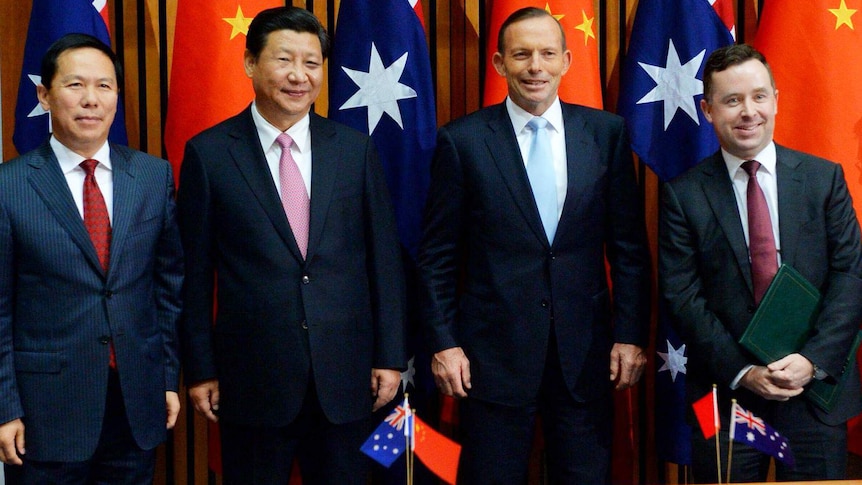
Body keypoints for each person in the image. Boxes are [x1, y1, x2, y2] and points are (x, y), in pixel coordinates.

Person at [417, 7, 651, 483]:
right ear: (500, 64)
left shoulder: (605, 133)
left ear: (566, 60)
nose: (535, 67)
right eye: (521, 55)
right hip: (490, 361)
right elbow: (437, 258)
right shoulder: (462, 142)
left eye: (547, 54)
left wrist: (628, 335)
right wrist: (445, 343)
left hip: (586, 357)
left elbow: (627, 248)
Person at [176, 6, 406, 484]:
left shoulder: (354, 150)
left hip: (347, 379)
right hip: (252, 382)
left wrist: (388, 355)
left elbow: (384, 263)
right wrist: (200, 369)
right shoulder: (209, 153)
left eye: (312, 62)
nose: (299, 76)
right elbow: (194, 275)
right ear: (249, 64)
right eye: (284, 60)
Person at [660, 43, 862, 482]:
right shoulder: (683, 194)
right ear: (708, 110)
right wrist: (743, 371)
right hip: (724, 392)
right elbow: (683, 295)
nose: (748, 111)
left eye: (758, 96)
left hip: (815, 393)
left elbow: (851, 276)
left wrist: (812, 360)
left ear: (775, 99)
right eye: (732, 100)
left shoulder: (824, 179)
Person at [0, 33, 183, 484]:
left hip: (136, 402)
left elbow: (168, 289)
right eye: (75, 85)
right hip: (46, 411)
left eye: (104, 86)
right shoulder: (9, 186)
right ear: (44, 95)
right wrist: (5, 407)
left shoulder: (152, 175)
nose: (91, 100)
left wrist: (166, 377)